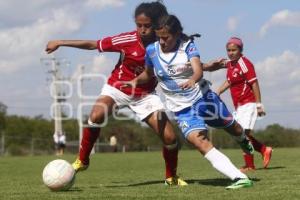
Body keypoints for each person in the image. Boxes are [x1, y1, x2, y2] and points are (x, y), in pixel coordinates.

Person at [46, 1, 187, 186]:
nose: (142, 30)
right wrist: (60, 42)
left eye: (147, 26)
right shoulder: (127, 40)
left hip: (145, 95)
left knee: (170, 138)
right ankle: (82, 160)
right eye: (139, 25)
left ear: (157, 25)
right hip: (118, 88)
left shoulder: (167, 42)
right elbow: (93, 44)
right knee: (96, 115)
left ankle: (171, 177)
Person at [123, 14, 254, 189]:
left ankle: (244, 141)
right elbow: (149, 73)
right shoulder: (152, 50)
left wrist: (193, 79)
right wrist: (134, 81)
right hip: (182, 109)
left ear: (177, 34)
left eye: (166, 38)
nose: (162, 42)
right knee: (198, 141)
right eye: (159, 37)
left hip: (203, 98)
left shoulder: (188, 46)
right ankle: (240, 178)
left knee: (232, 126)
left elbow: (198, 69)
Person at [215, 37, 272, 172]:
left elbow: (254, 83)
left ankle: (250, 166)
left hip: (249, 103)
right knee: (239, 134)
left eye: (234, 50)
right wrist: (217, 92)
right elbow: (229, 81)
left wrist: (259, 105)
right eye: (228, 50)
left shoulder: (245, 63)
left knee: (243, 135)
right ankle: (264, 150)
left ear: (241, 50)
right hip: (239, 106)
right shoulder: (230, 65)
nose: (231, 53)